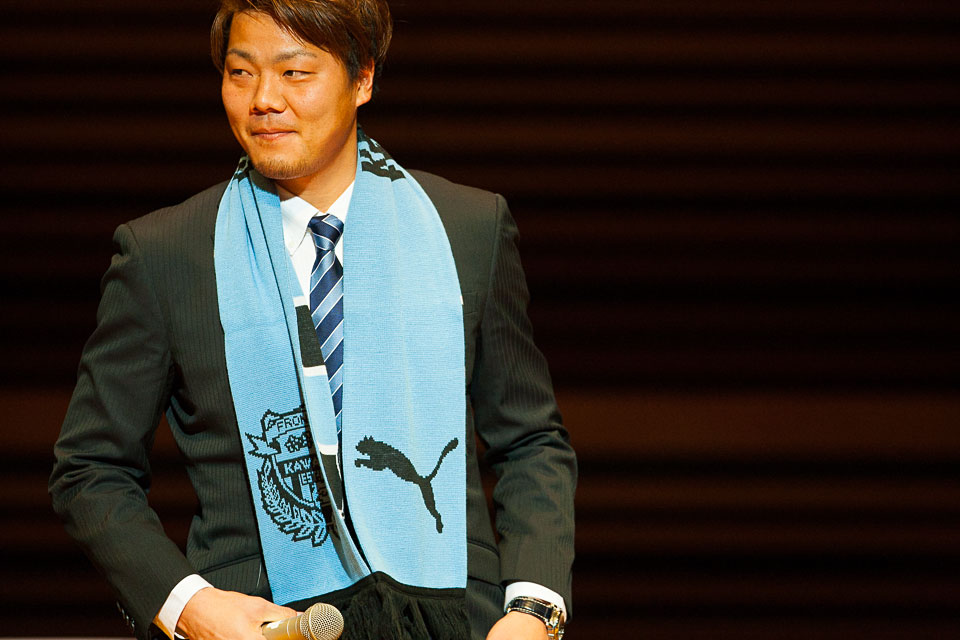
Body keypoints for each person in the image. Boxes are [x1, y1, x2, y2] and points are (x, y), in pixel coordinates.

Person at [49, 1, 575, 639]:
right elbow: (90, 467)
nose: (263, 100)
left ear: (363, 78)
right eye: (241, 73)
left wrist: (534, 611)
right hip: (263, 622)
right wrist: (192, 607)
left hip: (454, 619)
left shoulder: (467, 229)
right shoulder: (166, 253)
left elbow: (530, 440)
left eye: (294, 73)